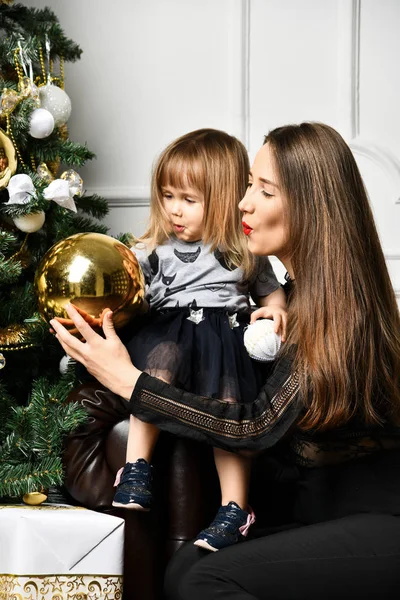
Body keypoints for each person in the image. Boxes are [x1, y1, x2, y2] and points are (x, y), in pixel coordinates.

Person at [51, 122, 400, 599]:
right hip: (311, 515)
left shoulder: (343, 309)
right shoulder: (282, 304)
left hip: (379, 521)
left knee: (203, 579)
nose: (243, 202)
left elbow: (253, 427)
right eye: (248, 185)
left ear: (310, 207)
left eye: (264, 190)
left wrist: (133, 383)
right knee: (185, 569)